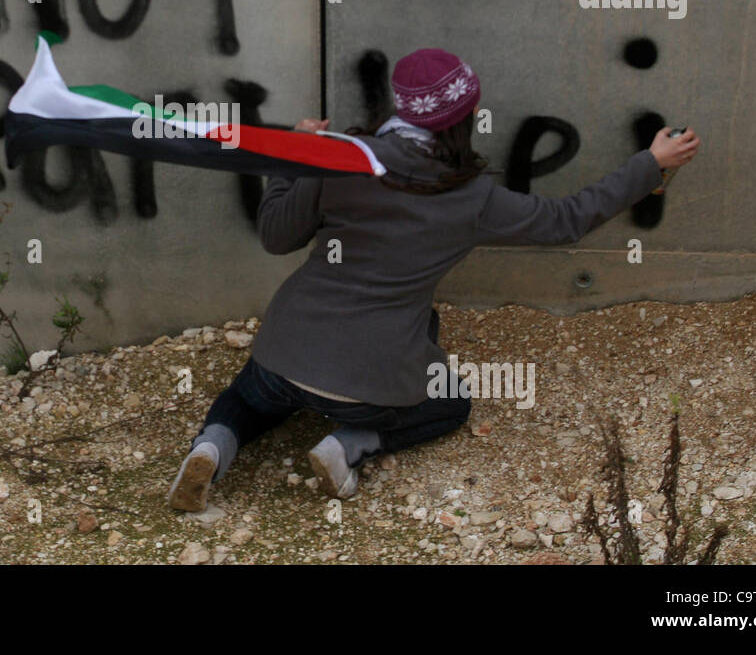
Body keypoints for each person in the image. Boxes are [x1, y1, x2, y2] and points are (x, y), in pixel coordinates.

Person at [168, 48, 700, 511]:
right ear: (465, 116)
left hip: (285, 352)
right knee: (451, 403)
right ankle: (348, 444)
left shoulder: (342, 157)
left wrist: (296, 158)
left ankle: (211, 448)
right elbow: (567, 220)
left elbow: (276, 236)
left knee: (249, 397)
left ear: (400, 107)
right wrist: (650, 163)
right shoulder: (474, 196)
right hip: (370, 382)